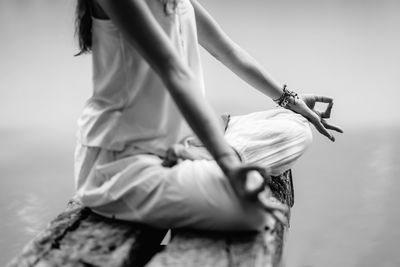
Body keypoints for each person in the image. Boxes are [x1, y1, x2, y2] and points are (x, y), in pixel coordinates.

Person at [74, 0, 342, 231]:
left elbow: (227, 50)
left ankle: (203, 154)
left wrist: (289, 101)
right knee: (256, 214)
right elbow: (173, 71)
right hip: (123, 166)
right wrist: (231, 166)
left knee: (297, 128)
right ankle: (213, 159)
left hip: (182, 144)